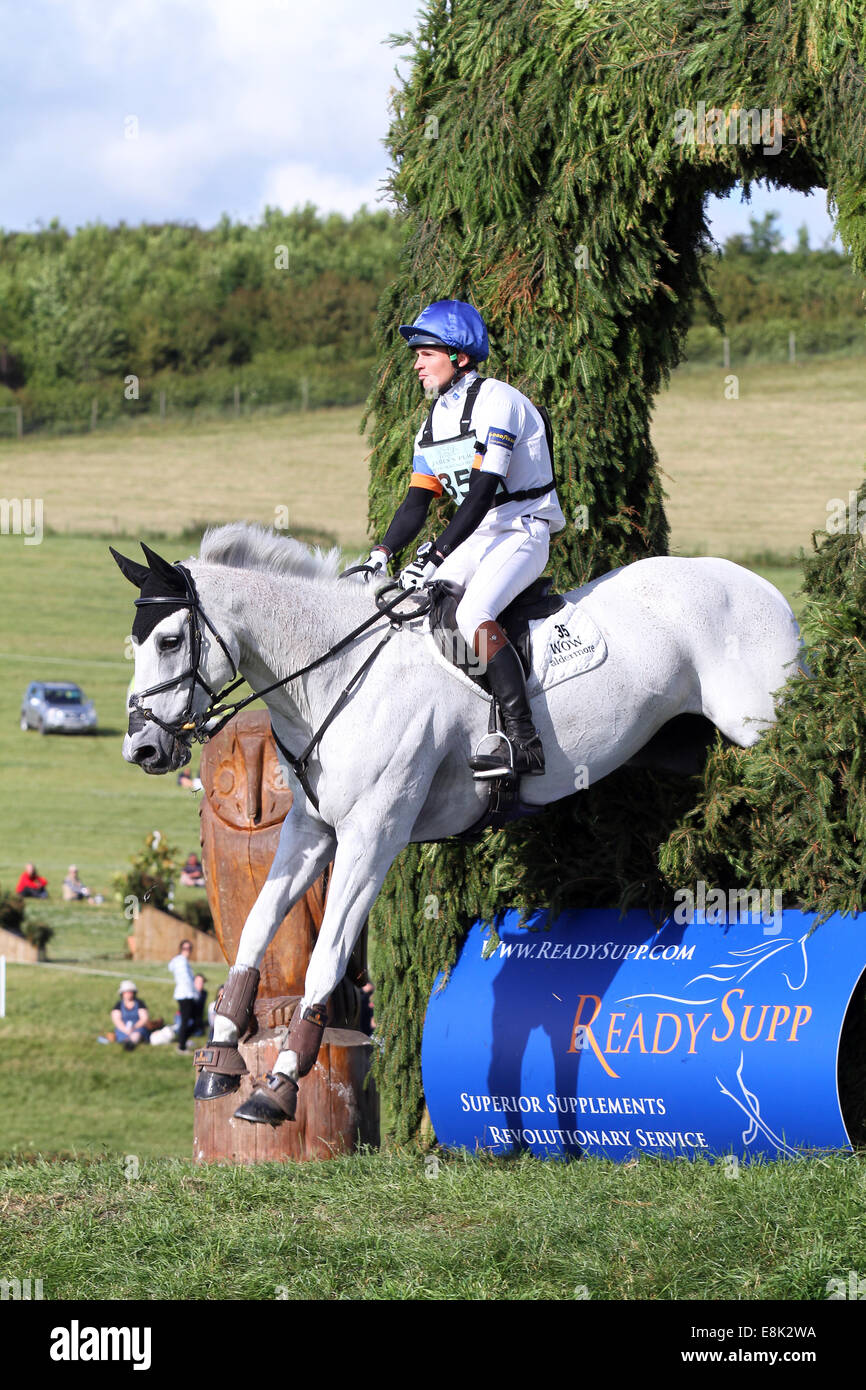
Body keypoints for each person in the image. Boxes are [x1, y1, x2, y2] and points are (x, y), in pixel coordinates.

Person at [362, 299, 566, 778]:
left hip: (522, 527)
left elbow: (480, 494)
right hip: (482, 533)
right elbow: (416, 504)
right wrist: (381, 554)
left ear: (460, 357)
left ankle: (523, 740)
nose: (415, 364)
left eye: (426, 353)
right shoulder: (432, 424)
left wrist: (432, 557)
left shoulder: (499, 401)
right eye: (416, 354)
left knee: (473, 613)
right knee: (416, 605)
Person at [168, 939, 198, 1054]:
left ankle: (184, 1039)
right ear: (181, 949)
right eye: (185, 948)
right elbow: (186, 979)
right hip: (185, 994)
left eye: (189, 948)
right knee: (187, 1020)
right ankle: (181, 1046)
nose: (188, 951)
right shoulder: (181, 961)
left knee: (191, 1020)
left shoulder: (180, 960)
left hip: (184, 994)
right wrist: (195, 993)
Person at [111, 981, 151, 1049]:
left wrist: (134, 1027)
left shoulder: (139, 1003)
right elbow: (116, 1020)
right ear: (122, 993)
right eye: (126, 992)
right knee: (122, 1034)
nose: (128, 994)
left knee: (137, 1034)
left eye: (130, 992)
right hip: (123, 1028)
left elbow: (144, 1018)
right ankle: (126, 1042)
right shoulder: (119, 1005)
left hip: (138, 1027)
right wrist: (125, 1029)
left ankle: (132, 1043)